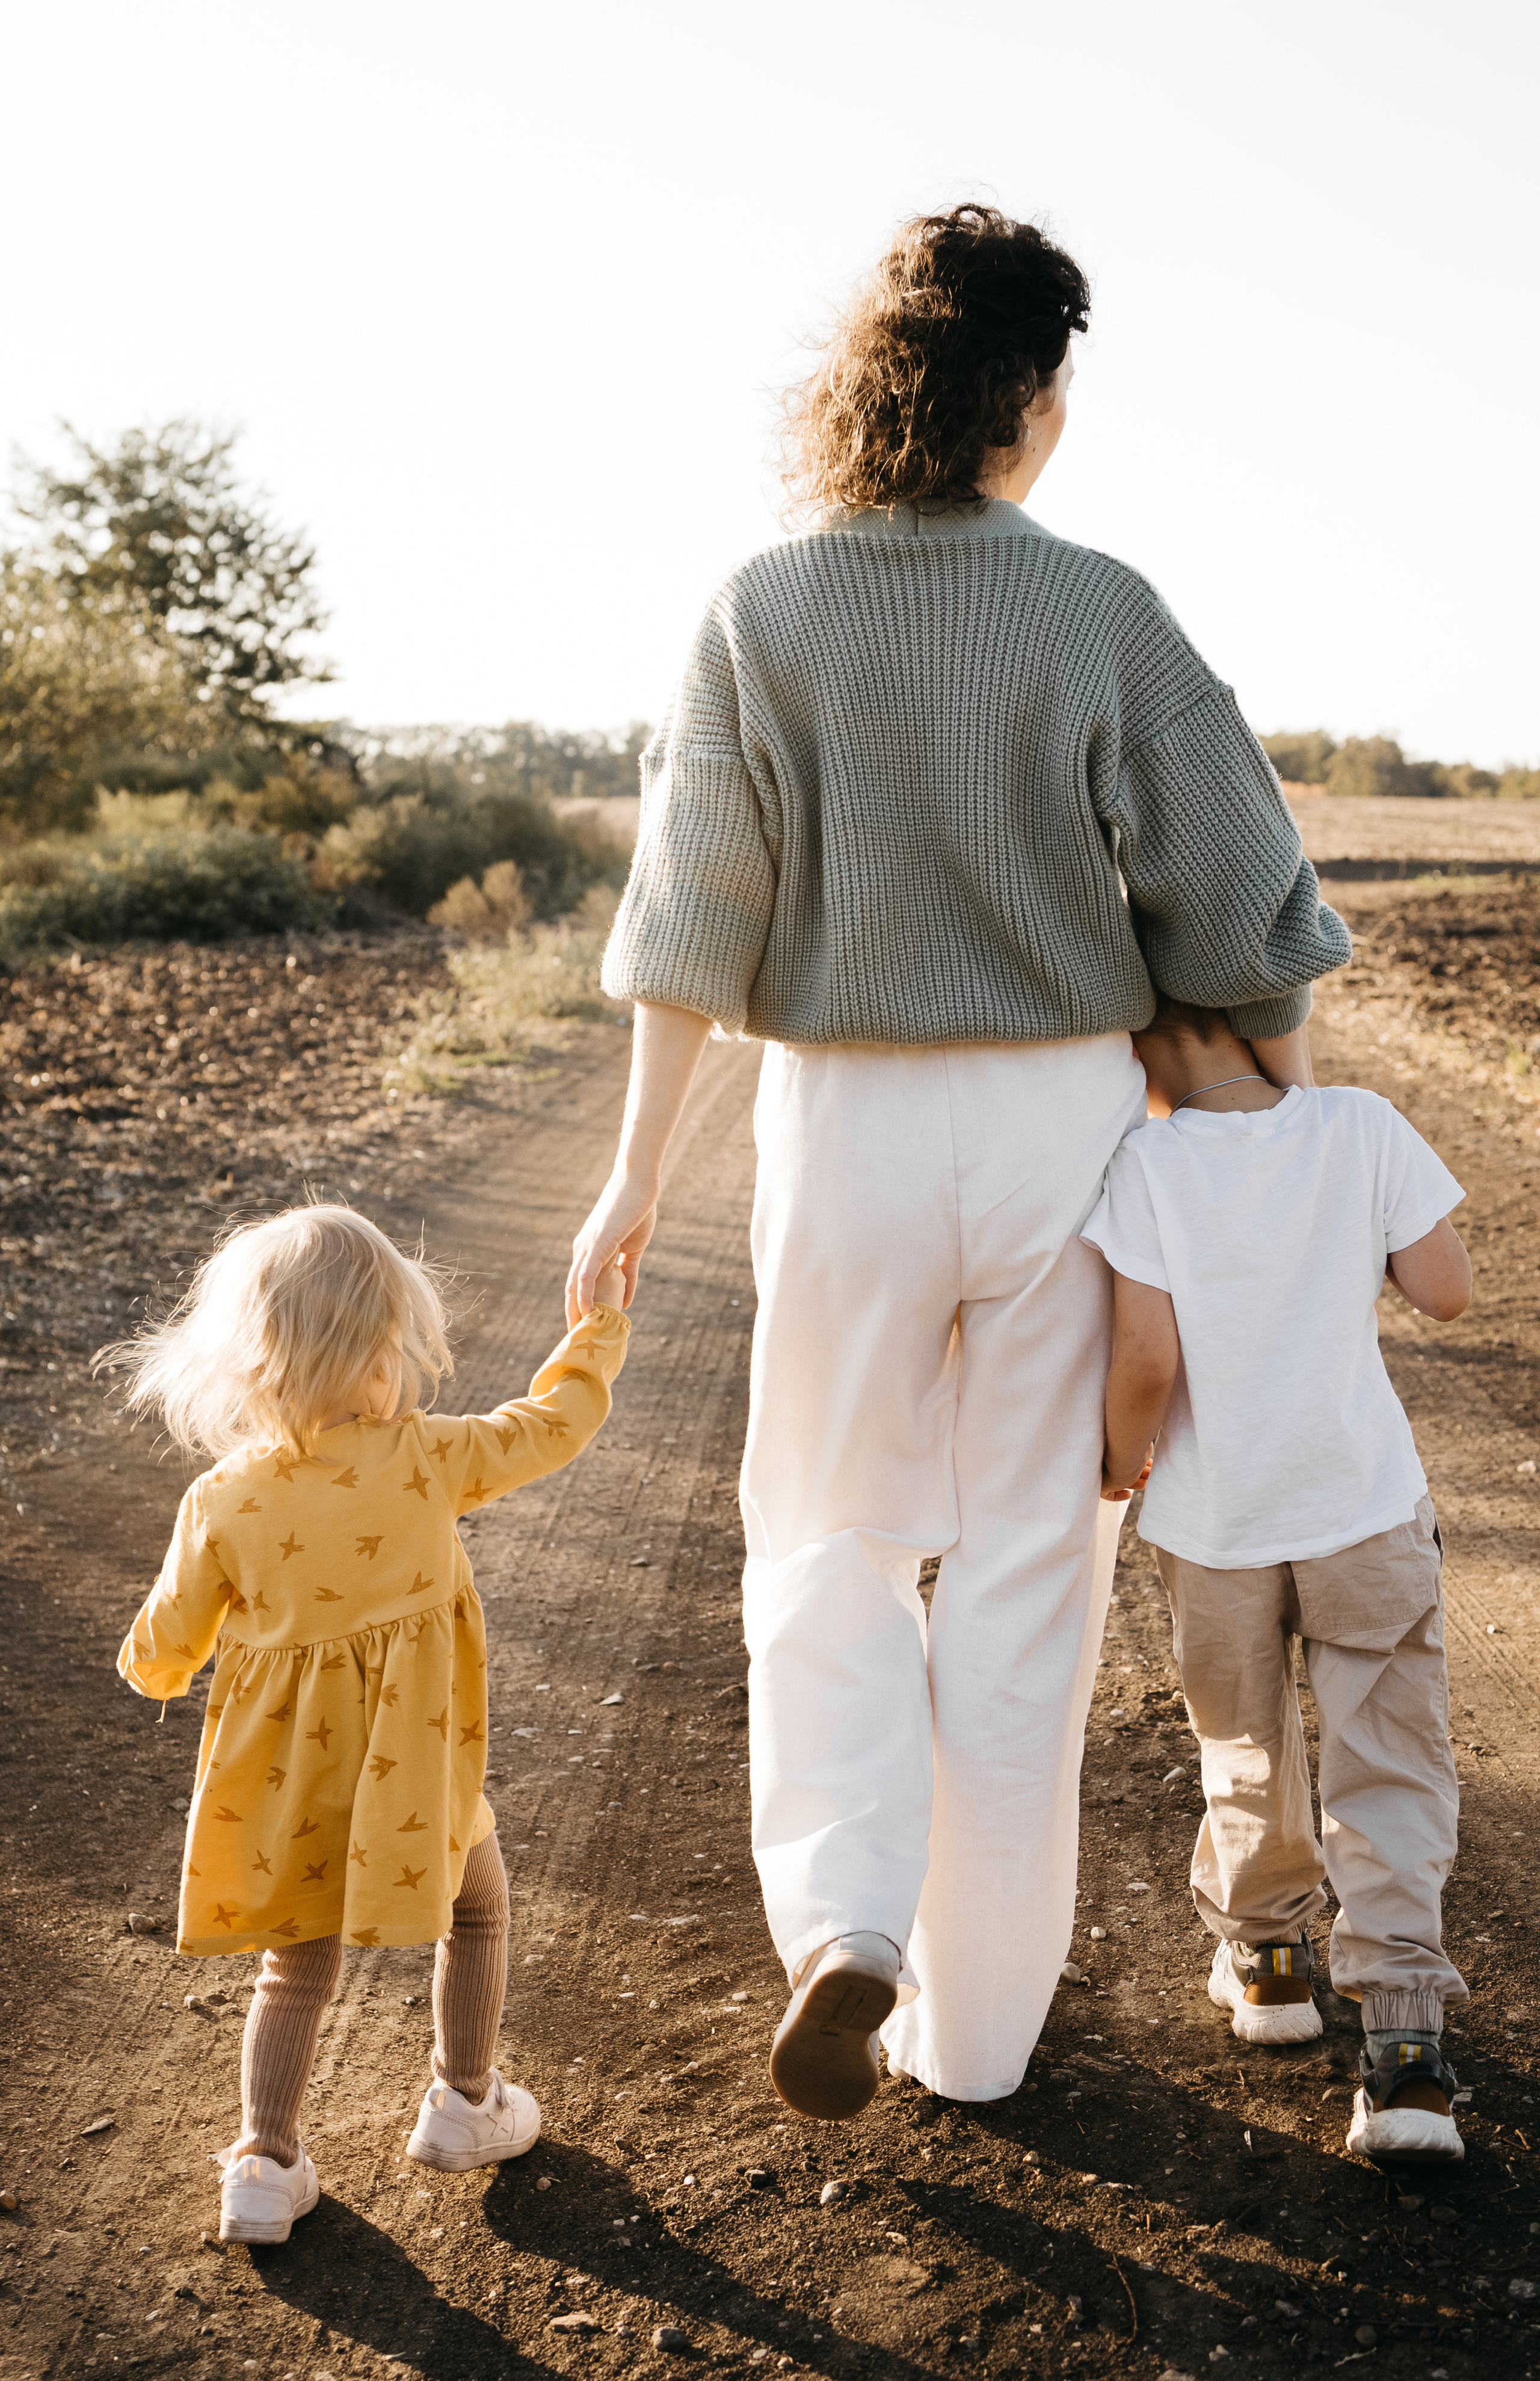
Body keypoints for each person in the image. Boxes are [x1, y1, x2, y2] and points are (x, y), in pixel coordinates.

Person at [568, 202, 1351, 2118]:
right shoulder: (1100, 604)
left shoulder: (761, 605)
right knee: (1028, 1567)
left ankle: (847, 1915)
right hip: (1063, 1123)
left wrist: (633, 1173)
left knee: (826, 1533)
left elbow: (692, 918)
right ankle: (977, 2036)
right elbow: (1245, 908)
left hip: (839, 1119)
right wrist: (1281, 1154)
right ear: (1038, 393)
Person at [110, 1203, 630, 2240]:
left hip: (288, 1792)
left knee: (294, 1968)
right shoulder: (427, 1457)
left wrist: (158, 1667)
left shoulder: (222, 1499)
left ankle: (263, 2161)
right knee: (477, 1908)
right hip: (415, 1779)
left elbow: (165, 1640)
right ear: (381, 1359)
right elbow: (549, 1426)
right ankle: (465, 2101)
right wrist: (597, 1329)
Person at [1086, 996, 1471, 2162]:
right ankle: (1403, 2055)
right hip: (1360, 1503)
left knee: (1241, 1733)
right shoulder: (1356, 1124)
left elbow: (1146, 1356)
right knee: (1388, 1759)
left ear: (1141, 1040)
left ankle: (1267, 1963)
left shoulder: (1143, 1162)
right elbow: (1444, 1287)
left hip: (1216, 1526)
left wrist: (1115, 1465)